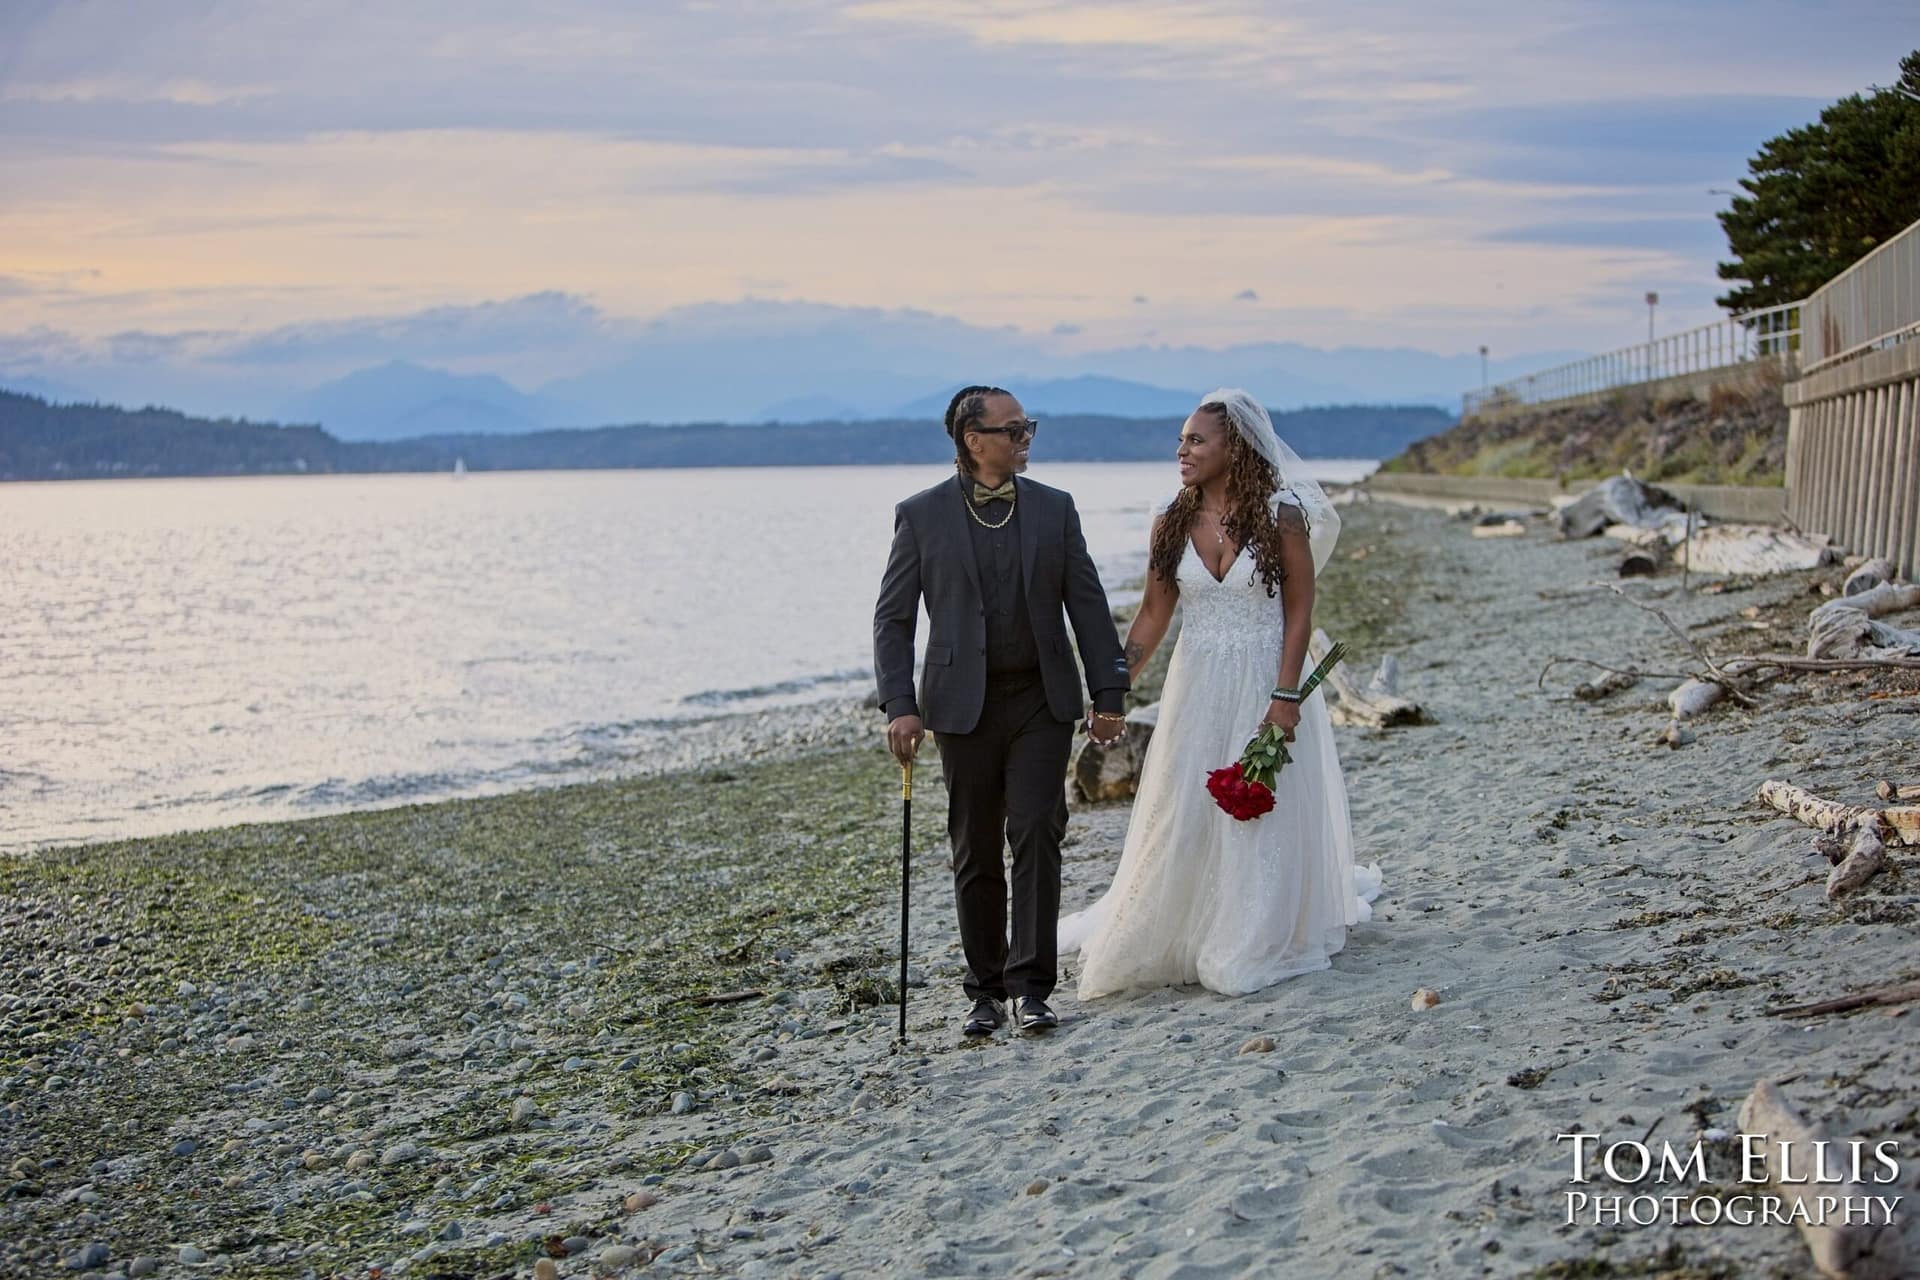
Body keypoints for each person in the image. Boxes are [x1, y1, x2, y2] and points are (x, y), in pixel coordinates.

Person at [1059, 389, 1382, 999]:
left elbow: (1299, 613)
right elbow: (1153, 616)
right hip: (1197, 684)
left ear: (1236, 448)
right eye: (1181, 439)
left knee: (1264, 808)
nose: (1182, 450)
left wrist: (1285, 697)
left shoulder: (1282, 516)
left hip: (1268, 677)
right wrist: (1113, 691)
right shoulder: (1170, 518)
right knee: (1185, 807)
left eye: (1196, 440)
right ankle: (1189, 921)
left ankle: (1254, 931)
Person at [873, 385, 1130, 1037]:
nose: (1025, 440)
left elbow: (1089, 605)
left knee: (1038, 830)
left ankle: (1032, 987)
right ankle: (984, 991)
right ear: (972, 439)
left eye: (1027, 428)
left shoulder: (1055, 508)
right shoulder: (922, 514)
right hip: (960, 708)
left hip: (1040, 699)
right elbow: (894, 619)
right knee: (975, 847)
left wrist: (1110, 693)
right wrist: (900, 705)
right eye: (1014, 430)